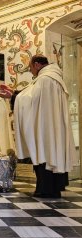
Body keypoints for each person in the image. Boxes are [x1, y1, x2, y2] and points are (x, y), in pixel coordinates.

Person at [14, 55, 77, 198]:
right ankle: (55, 187)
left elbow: (30, 100)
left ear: (36, 64)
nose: (31, 71)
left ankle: (46, 189)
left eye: (30, 67)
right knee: (54, 151)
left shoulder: (44, 79)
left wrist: (14, 97)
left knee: (44, 152)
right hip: (54, 125)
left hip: (45, 126)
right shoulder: (55, 78)